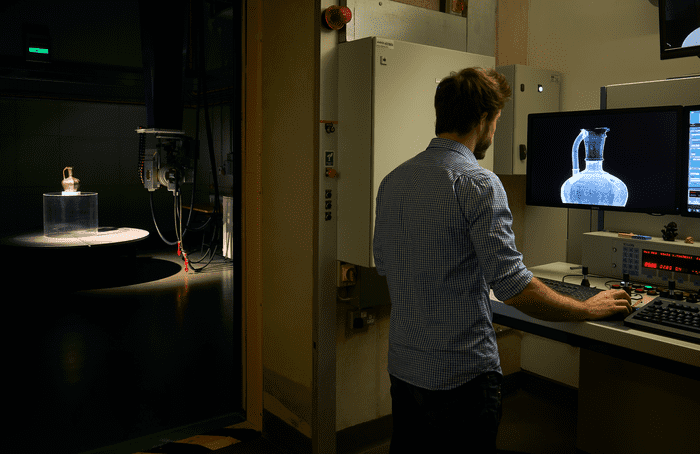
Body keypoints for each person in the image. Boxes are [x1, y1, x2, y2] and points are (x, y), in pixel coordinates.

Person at [372, 67, 632, 453]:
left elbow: (386, 265)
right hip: (462, 379)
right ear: (483, 120)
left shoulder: (393, 180)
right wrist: (586, 307)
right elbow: (514, 289)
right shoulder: (478, 183)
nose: (493, 132)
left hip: (405, 372)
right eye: (495, 121)